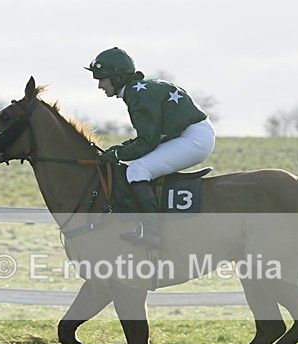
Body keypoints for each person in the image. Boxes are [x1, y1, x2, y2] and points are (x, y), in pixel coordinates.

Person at [86, 47, 215, 248]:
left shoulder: (137, 96)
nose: (100, 85)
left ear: (118, 78)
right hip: (191, 134)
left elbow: (148, 142)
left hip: (194, 139)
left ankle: (152, 232)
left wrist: (118, 153)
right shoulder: (138, 91)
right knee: (140, 165)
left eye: (102, 79)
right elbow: (147, 139)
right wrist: (120, 149)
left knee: (138, 169)